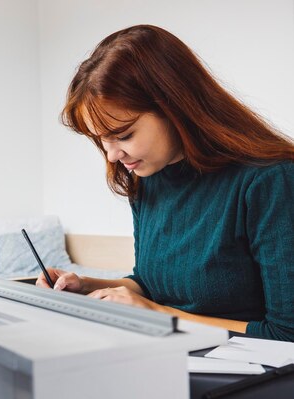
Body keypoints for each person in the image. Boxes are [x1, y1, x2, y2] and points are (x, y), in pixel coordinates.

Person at [37, 25, 294, 341]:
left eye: (124, 135)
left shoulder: (268, 181)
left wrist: (156, 313)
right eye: (101, 140)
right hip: (165, 357)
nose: (113, 155)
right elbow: (149, 282)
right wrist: (88, 286)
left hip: (248, 379)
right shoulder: (148, 180)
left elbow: (286, 334)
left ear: (175, 107)